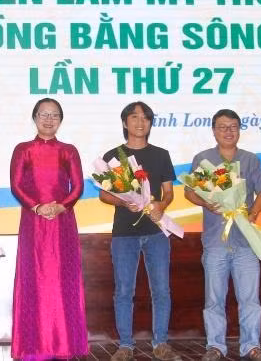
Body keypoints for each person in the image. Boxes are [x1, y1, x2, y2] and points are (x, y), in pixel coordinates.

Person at [183, 109, 261, 361]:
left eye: (233, 126)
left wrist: (253, 213)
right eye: (222, 127)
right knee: (213, 298)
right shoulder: (203, 159)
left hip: (245, 242)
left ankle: (251, 347)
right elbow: (188, 193)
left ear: (239, 130)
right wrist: (205, 202)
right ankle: (215, 347)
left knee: (250, 299)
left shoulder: (251, 160)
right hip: (215, 241)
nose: (228, 131)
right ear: (213, 130)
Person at [99, 102, 181, 361]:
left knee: (161, 289)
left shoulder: (161, 154)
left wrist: (161, 204)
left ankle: (161, 344)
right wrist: (123, 202)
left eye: (145, 118)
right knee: (124, 290)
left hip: (156, 232)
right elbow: (103, 194)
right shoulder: (113, 156)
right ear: (125, 123)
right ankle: (125, 345)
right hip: (124, 233)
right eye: (134, 117)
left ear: (150, 123)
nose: (139, 122)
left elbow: (169, 192)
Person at [9, 98, 88, 360]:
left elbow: (77, 187)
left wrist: (61, 207)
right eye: (44, 114)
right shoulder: (23, 149)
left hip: (62, 222)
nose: (49, 119)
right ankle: (33, 346)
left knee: (61, 280)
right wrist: (36, 207)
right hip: (33, 222)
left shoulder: (69, 150)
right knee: (34, 279)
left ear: (61, 120)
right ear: (35, 117)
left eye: (54, 115)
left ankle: (63, 344)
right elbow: (17, 185)